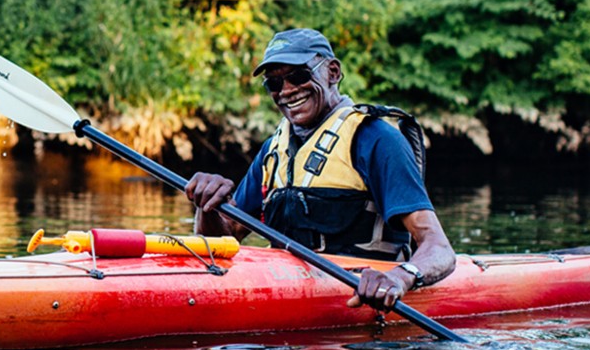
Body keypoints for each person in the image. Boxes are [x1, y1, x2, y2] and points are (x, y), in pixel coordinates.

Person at [184, 28, 456, 311]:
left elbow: (440, 249)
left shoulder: (376, 139)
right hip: (284, 294)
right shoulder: (272, 151)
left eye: (299, 76)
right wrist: (208, 206)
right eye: (274, 84)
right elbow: (222, 241)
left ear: (333, 72)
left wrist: (399, 278)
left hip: (361, 299)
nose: (287, 90)